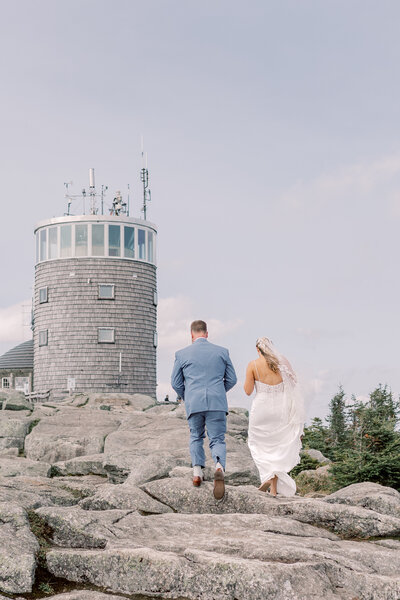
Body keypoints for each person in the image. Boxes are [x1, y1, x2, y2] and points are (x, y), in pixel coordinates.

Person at [171, 320, 237, 499]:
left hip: (194, 402)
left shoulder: (181, 354)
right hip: (216, 402)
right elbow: (232, 379)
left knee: (196, 436)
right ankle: (218, 467)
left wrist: (188, 395)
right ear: (207, 333)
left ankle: (197, 472)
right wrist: (218, 392)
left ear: (191, 334)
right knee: (217, 439)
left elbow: (175, 383)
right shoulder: (222, 352)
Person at [244, 337, 304, 497]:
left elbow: (248, 391)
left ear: (258, 350)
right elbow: (294, 381)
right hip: (280, 409)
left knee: (259, 445)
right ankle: (273, 486)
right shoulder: (282, 361)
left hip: (261, 409)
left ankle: (270, 481)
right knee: (278, 447)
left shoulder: (253, 365)